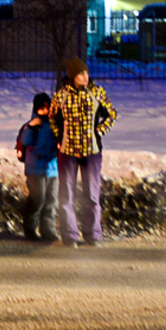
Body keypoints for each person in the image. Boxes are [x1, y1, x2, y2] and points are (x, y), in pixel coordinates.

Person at [49, 57, 118, 247]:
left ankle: (93, 234)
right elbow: (52, 118)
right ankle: (70, 235)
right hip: (67, 151)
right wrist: (59, 135)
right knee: (67, 196)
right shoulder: (62, 95)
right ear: (72, 76)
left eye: (86, 73)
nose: (85, 77)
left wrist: (99, 131)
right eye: (81, 74)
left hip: (92, 151)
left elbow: (112, 114)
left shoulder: (97, 93)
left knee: (92, 195)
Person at [15, 92, 59, 242]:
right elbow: (25, 142)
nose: (45, 110)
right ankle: (30, 227)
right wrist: (31, 128)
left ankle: (48, 229)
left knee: (51, 200)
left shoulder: (54, 124)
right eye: (42, 107)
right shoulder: (32, 125)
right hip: (35, 169)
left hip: (52, 168)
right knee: (38, 198)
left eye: (48, 107)